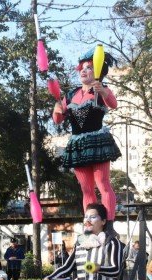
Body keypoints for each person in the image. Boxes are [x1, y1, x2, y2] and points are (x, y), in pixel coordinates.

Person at [52, 48, 121, 231]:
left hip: (97, 141)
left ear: (97, 71)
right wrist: (57, 108)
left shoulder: (101, 89)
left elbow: (113, 104)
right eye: (82, 68)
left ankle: (109, 224)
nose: (83, 70)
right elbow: (58, 120)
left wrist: (104, 93)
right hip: (78, 144)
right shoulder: (71, 95)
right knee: (86, 189)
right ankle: (89, 224)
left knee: (103, 184)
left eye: (89, 67)